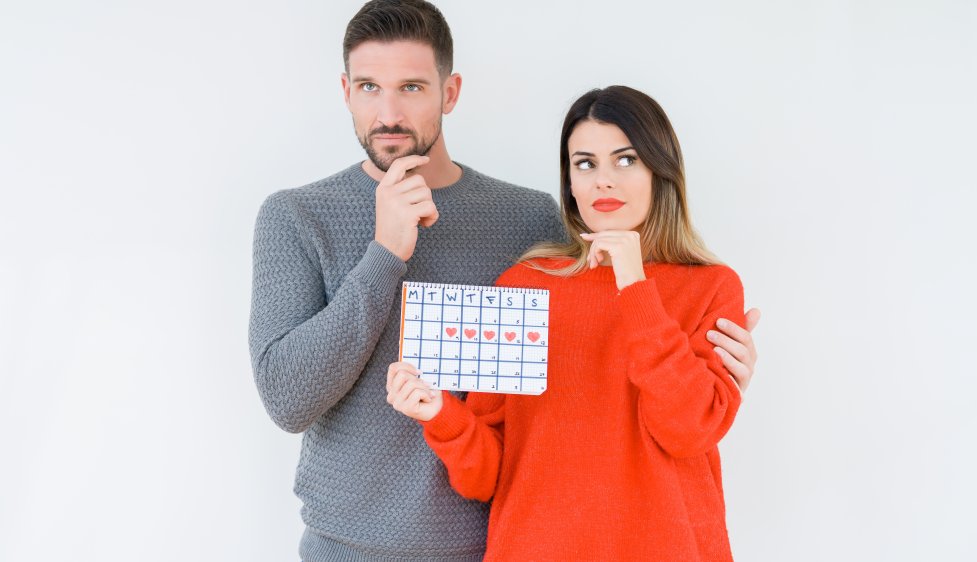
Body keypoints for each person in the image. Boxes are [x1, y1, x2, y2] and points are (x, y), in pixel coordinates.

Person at [249, 1, 759, 560]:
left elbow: (657, 405)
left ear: (451, 92)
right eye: (370, 86)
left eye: (412, 87)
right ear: (345, 90)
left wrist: (709, 378)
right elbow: (287, 401)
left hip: (486, 542)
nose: (388, 112)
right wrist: (385, 254)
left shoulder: (528, 223)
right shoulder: (298, 217)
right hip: (350, 546)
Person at [387, 85, 746, 561]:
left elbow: (686, 431)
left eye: (626, 160)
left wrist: (635, 286)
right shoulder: (522, 285)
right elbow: (489, 476)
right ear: (569, 183)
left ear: (660, 171)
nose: (603, 181)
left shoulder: (712, 287)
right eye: (585, 163)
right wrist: (441, 415)